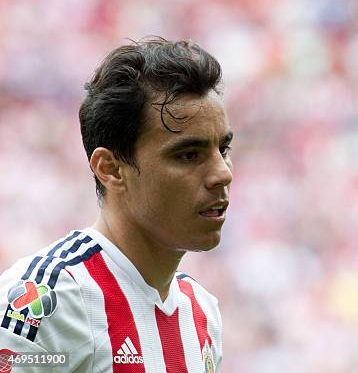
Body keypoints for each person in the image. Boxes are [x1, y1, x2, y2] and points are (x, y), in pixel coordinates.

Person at [0, 37, 232, 372]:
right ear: (111, 169)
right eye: (188, 155)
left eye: (223, 150)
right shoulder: (45, 301)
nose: (222, 174)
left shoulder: (202, 312)